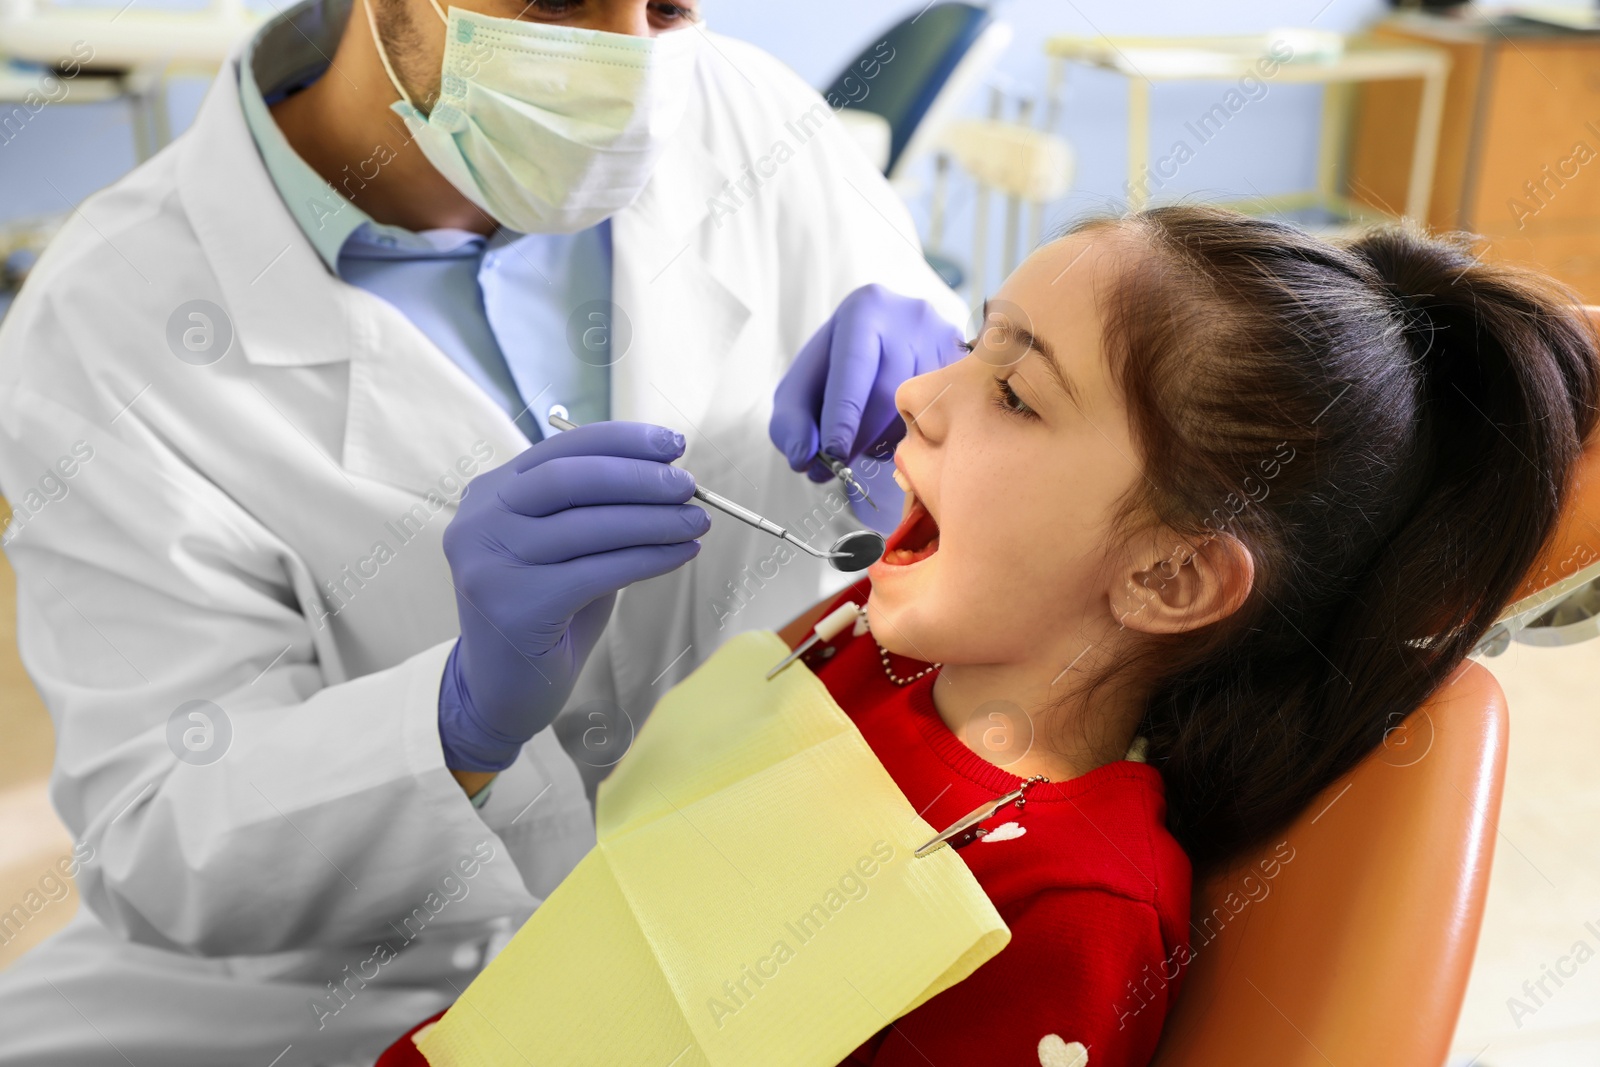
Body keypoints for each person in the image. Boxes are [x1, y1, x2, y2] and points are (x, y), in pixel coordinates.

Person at [374, 204, 1599, 1066]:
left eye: (1015, 390)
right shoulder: (872, 647)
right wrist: (487, 704)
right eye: (970, 343)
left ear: (1169, 575)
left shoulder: (1066, 910)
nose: (916, 394)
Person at [0, 0, 966, 1062]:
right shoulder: (109, 320)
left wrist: (941, 430)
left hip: (781, 891)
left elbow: (969, 488)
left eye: (668, 5)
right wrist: (453, 724)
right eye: (554, 4)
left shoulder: (754, 125)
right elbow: (157, 830)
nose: (627, 57)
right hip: (360, 983)